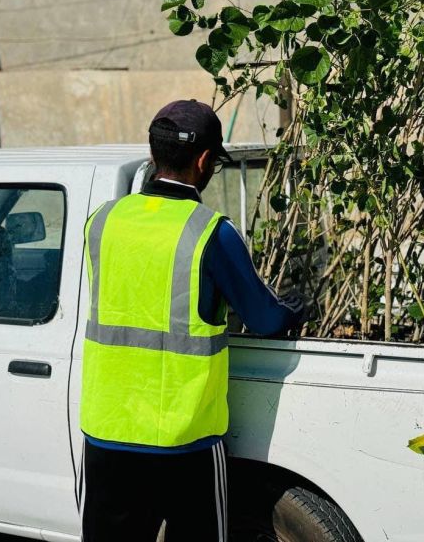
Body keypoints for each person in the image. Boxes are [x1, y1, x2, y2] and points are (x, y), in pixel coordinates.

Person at [79, 100, 307, 542]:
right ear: (204, 162)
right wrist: (295, 310)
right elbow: (263, 319)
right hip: (184, 444)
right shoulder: (209, 232)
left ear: (153, 155)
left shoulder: (102, 222)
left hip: (107, 434)